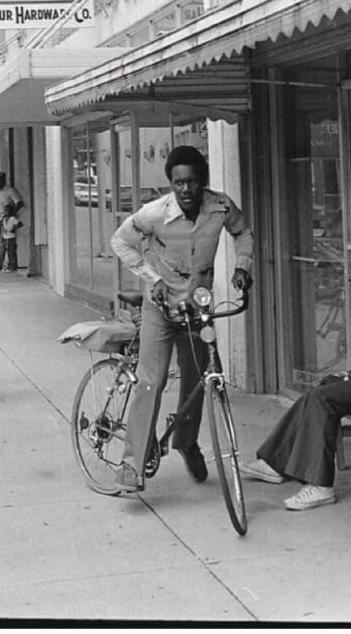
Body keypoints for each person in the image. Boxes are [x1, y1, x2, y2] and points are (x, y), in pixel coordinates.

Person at [110, 145, 254, 493]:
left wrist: (241, 267)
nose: (185, 190)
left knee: (198, 381)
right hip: (160, 309)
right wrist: (152, 278)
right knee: (151, 382)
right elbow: (120, 241)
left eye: (191, 182)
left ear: (202, 181)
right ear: (170, 184)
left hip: (198, 310)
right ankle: (132, 463)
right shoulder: (154, 213)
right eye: (178, 183)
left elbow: (243, 233)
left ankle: (186, 443)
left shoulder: (220, 206)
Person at [240, 243, 351, 511]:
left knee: (323, 400)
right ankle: (273, 462)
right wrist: (345, 376)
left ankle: (321, 485)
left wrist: (347, 383)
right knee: (315, 394)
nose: (349, 277)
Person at [0, 172, 23, 270]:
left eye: (2, 179)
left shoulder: (9, 190)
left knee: (3, 242)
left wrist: (11, 214)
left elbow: (19, 203)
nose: (0, 181)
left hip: (5, 218)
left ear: (5, 179)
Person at [0, 202, 22, 272]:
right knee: (3, 251)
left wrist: (13, 228)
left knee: (11, 252)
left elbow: (20, 224)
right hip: (5, 237)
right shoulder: (4, 219)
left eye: (8, 210)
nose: (6, 212)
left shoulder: (12, 218)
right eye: (5, 210)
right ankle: (4, 265)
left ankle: (13, 266)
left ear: (11, 211)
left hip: (11, 237)